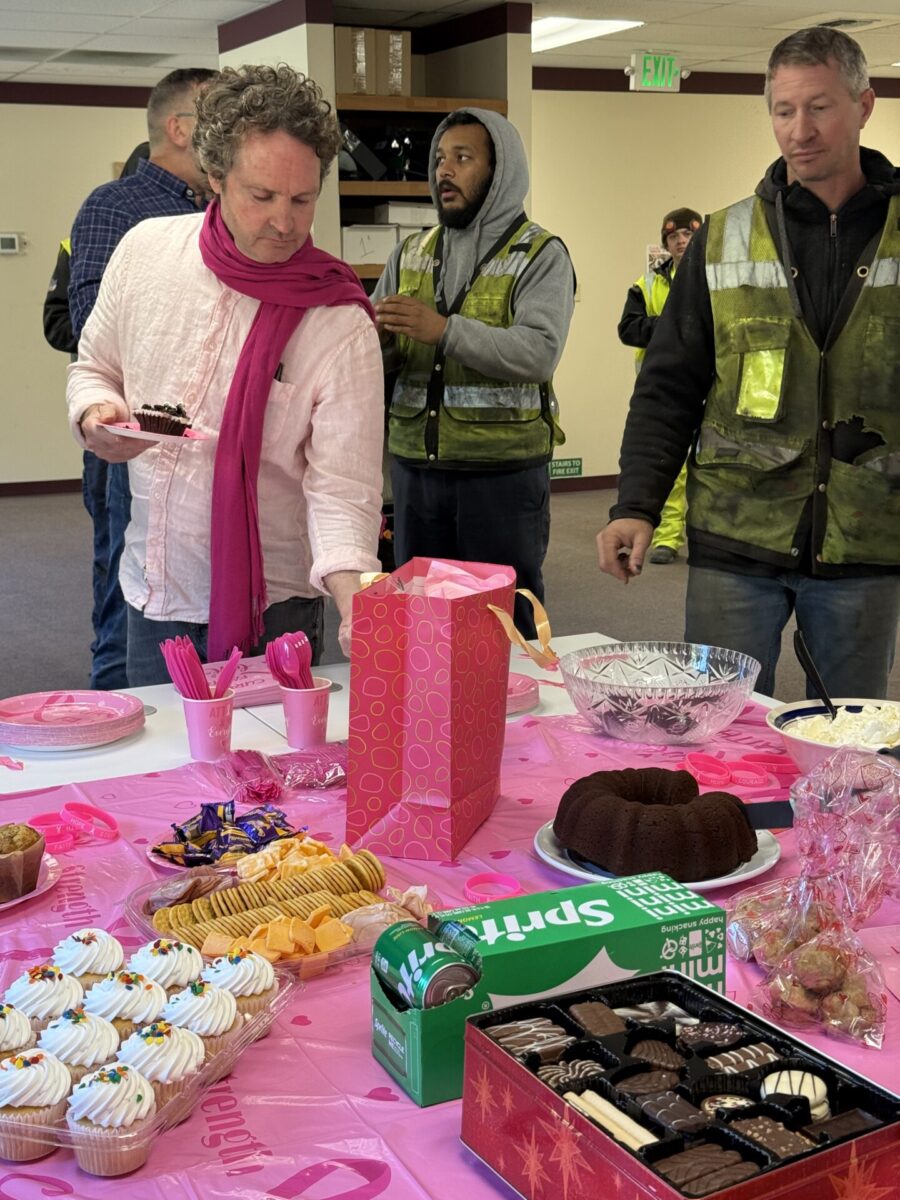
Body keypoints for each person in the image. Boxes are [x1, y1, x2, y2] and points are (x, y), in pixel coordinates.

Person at [597, 26, 900, 699]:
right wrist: (637, 504)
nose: (799, 130)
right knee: (713, 731)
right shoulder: (722, 239)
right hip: (735, 538)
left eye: (818, 107)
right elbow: (668, 386)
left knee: (851, 746)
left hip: (866, 543)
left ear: (864, 104)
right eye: (782, 110)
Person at [66, 63, 384, 687]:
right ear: (215, 178)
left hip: (276, 603)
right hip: (156, 585)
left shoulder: (337, 319)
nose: (285, 223)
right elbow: (94, 366)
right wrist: (95, 415)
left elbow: (342, 488)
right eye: (261, 196)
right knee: (162, 777)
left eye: (302, 199)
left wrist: (357, 600)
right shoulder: (145, 252)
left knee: (270, 776)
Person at [373, 108, 576, 638]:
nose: (445, 171)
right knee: (420, 618)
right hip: (417, 472)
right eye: (441, 159)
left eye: (462, 159)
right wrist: (379, 344)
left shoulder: (540, 253)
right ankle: (425, 721)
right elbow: (388, 357)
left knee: (503, 621)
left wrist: (444, 330)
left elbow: (537, 352)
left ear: (499, 170)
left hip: (501, 476)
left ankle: (515, 719)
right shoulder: (410, 252)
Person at [69, 68, 217, 689]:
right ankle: (112, 711)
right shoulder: (117, 207)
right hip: (134, 444)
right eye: (218, 113)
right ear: (179, 128)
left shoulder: (221, 208)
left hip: (205, 449)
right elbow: (91, 327)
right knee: (123, 593)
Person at [617, 207, 702, 565]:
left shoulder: (717, 279)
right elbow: (628, 329)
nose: (681, 241)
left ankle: (705, 537)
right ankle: (667, 539)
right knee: (670, 465)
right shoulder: (646, 284)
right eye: (673, 236)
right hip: (665, 388)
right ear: (665, 242)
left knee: (709, 466)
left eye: (688, 234)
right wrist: (673, 327)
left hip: (712, 387)